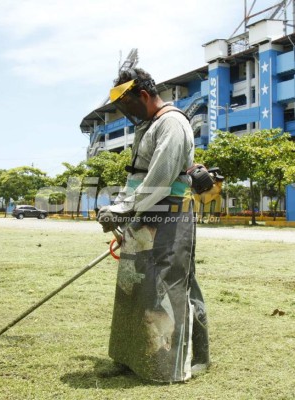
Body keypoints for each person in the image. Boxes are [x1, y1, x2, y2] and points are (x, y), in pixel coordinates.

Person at [97, 68, 209, 383]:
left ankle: (173, 366)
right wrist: (118, 208)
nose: (126, 116)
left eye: (128, 107)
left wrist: (123, 210)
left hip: (169, 217)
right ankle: (133, 358)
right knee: (134, 289)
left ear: (143, 96)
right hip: (143, 217)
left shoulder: (172, 124)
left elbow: (159, 181)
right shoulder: (148, 126)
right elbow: (136, 176)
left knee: (170, 289)